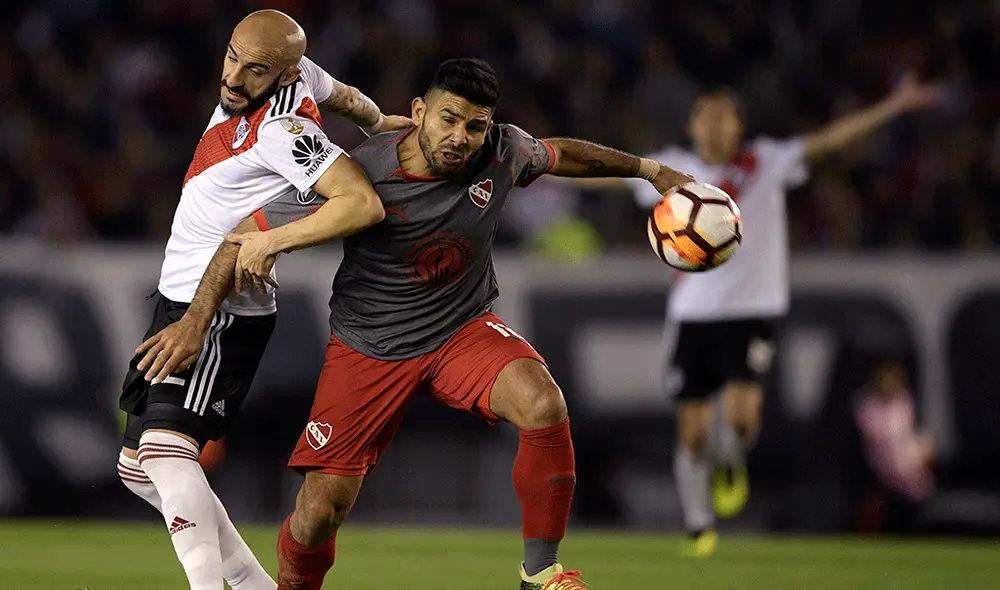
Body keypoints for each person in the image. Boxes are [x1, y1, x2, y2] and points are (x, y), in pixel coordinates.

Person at [171, 57, 692, 589]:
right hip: (368, 349)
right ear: (419, 112)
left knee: (543, 402)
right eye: (448, 119)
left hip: (459, 331)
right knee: (319, 511)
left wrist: (650, 172)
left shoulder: (503, 150)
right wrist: (194, 321)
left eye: (474, 125)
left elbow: (563, 155)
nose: (460, 137)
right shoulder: (358, 172)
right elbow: (242, 236)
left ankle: (541, 575)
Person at [116, 10, 409, 590]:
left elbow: (360, 203)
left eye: (255, 71)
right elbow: (345, 95)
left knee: (165, 454)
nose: (234, 78)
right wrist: (379, 124)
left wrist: (273, 239)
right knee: (138, 469)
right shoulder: (296, 77)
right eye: (232, 58)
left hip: (217, 308)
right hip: (178, 297)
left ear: (282, 75)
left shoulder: (285, 131)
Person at [622, 76, 943, 556]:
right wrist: (539, 163)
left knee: (743, 418)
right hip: (692, 315)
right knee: (691, 430)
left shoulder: (765, 162)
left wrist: (893, 105)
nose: (714, 126)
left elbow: (830, 141)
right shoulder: (673, 170)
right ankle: (697, 523)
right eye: (705, 117)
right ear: (692, 125)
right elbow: (607, 170)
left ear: (738, 125)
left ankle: (731, 458)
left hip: (753, 311)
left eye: (723, 116)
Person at [853, 358, 934, 534]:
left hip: (912, 481)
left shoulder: (908, 404)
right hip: (878, 481)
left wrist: (919, 456)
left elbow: (922, 439)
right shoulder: (865, 407)